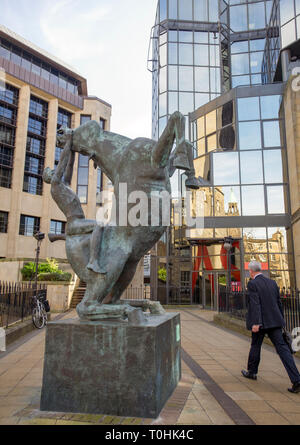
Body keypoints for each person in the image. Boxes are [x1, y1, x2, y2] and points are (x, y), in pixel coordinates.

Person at [241, 261, 300, 394]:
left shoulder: (252, 284)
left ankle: (252, 372)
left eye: (249, 271)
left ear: (251, 271)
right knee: (283, 350)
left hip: (261, 323)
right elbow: (279, 303)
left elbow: (255, 304)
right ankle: (296, 379)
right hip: (275, 322)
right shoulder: (272, 283)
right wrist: (281, 321)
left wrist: (256, 323)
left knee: (255, 346)